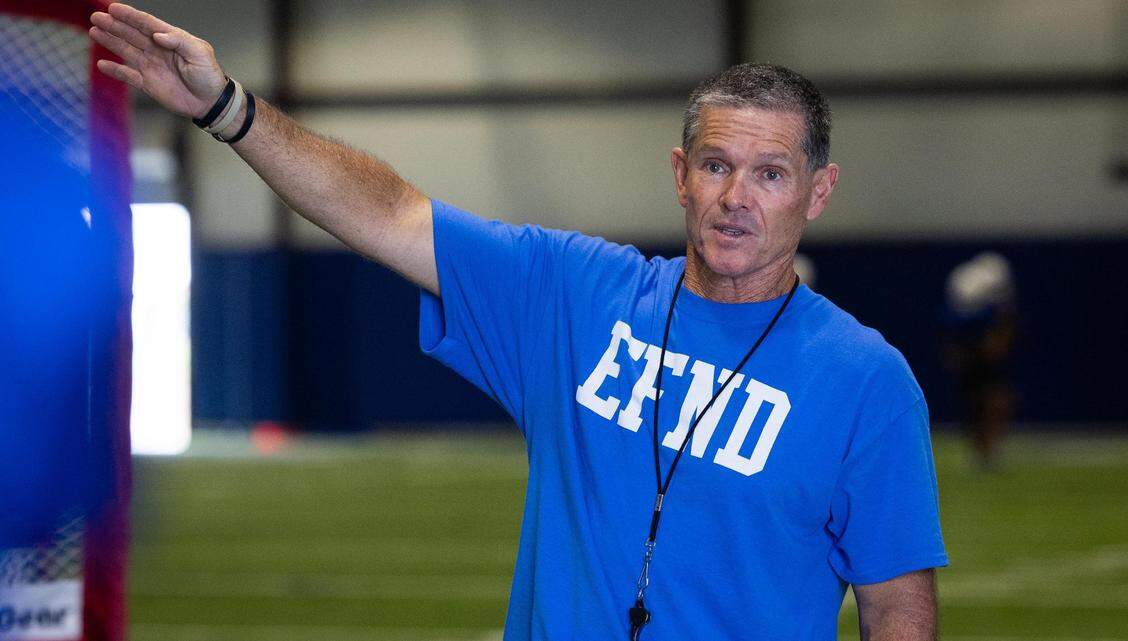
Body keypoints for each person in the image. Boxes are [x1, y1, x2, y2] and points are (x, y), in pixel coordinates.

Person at [89, 4, 948, 639]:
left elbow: (898, 615)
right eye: (717, 165)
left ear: (818, 192)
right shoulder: (573, 296)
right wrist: (228, 110)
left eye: (770, 173)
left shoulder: (867, 381)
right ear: (680, 174)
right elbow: (389, 212)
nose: (735, 198)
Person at [941, 252, 1018, 471]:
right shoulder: (969, 294)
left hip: (979, 352)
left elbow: (1004, 325)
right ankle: (982, 451)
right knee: (976, 402)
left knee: (994, 399)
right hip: (971, 351)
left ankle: (989, 450)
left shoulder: (984, 293)